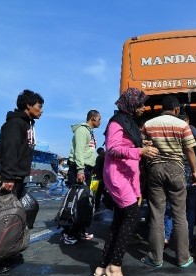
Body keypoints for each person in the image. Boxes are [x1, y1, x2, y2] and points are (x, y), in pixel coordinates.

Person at [93, 88, 158, 276]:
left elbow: (129, 148)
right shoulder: (116, 122)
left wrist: (142, 146)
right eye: (141, 105)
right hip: (117, 176)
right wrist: (140, 151)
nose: (144, 108)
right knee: (131, 216)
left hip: (128, 177)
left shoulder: (128, 122)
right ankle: (115, 265)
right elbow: (113, 149)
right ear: (131, 105)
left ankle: (103, 266)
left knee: (119, 221)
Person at [0, 89, 44, 274]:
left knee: (12, 218)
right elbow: (10, 150)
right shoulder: (15, 124)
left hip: (15, 179)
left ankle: (5, 252)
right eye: (39, 106)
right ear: (28, 106)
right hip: (5, 179)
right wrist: (9, 177)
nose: (41, 110)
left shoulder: (27, 124)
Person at [141, 95, 196, 268]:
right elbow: (189, 150)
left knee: (157, 214)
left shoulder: (148, 124)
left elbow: (143, 146)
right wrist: (194, 171)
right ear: (177, 109)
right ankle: (182, 259)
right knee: (179, 215)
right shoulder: (183, 125)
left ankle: (156, 259)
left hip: (155, 169)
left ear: (161, 108)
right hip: (176, 170)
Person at [164, 113, 196, 250]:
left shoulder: (170, 128)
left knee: (170, 207)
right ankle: (187, 240)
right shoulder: (188, 127)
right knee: (190, 209)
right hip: (188, 172)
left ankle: (166, 237)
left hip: (172, 171)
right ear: (187, 120)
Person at [62, 109, 101, 244]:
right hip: (79, 169)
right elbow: (79, 151)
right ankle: (68, 233)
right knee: (76, 202)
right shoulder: (82, 131)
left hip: (86, 169)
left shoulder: (90, 132)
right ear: (93, 118)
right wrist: (80, 170)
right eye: (99, 119)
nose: (100, 122)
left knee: (84, 202)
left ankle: (80, 231)